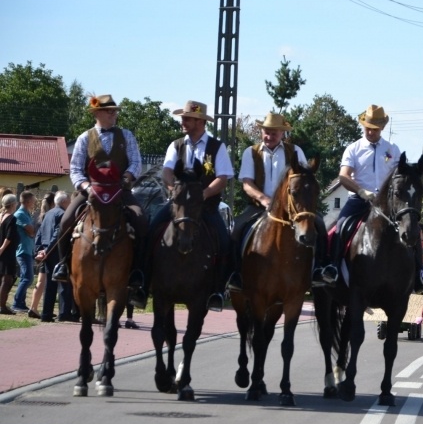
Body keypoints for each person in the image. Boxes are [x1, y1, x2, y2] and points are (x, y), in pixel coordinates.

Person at [53, 94, 147, 307]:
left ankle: (138, 273)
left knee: (141, 220)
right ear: (97, 113)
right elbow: (75, 169)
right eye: (109, 110)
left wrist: (126, 178)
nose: (114, 114)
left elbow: (136, 163)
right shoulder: (84, 138)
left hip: (120, 191)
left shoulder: (127, 136)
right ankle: (62, 266)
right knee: (66, 221)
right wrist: (86, 187)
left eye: (115, 111)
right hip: (90, 193)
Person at [226, 112, 327, 290]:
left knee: (319, 225)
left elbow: (304, 177)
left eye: (274, 133)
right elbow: (247, 184)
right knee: (236, 228)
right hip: (259, 206)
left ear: (282, 133)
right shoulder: (252, 152)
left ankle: (320, 269)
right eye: (266, 132)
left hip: (292, 208)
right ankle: (234, 275)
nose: (269, 136)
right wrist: (264, 199)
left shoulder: (295, 151)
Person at [333, 104, 423, 292]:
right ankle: (331, 269)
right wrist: (361, 191)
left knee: (412, 229)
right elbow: (343, 176)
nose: (370, 131)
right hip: (359, 200)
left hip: (387, 205)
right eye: (367, 127)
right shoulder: (354, 148)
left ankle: (418, 276)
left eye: (374, 128)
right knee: (339, 227)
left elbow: (402, 176)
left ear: (381, 128)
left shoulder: (392, 149)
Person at [155, 100, 235, 311]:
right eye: (183, 118)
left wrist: (204, 194)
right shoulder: (176, 145)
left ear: (200, 122)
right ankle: (142, 281)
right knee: (151, 228)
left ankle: (218, 290)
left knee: (225, 243)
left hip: (206, 207)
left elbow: (223, 178)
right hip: (179, 205)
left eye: (187, 118)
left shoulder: (217, 147)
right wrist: (173, 189)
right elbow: (167, 170)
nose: (183, 122)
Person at [33, 191, 75, 322]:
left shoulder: (48, 213)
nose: (70, 204)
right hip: (57, 251)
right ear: (63, 202)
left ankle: (46, 313)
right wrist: (48, 250)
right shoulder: (63, 214)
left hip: (46, 251)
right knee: (63, 282)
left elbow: (40, 232)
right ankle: (63, 313)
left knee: (49, 284)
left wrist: (39, 250)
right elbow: (57, 233)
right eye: (68, 201)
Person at [12, 191, 37, 317]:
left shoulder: (27, 214)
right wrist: (31, 232)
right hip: (22, 250)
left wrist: (31, 232)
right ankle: (16, 303)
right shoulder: (20, 214)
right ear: (27, 201)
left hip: (28, 249)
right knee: (28, 277)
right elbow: (31, 230)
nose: (34, 203)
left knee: (25, 277)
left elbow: (32, 232)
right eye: (33, 200)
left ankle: (21, 302)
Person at [30, 192, 54, 317]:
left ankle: (33, 306)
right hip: (48, 250)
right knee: (42, 281)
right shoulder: (51, 216)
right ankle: (34, 308)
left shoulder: (41, 217)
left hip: (41, 249)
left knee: (40, 280)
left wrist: (37, 250)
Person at [0, 194, 21, 315]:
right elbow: (9, 236)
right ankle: (2, 305)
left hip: (2, 251)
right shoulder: (11, 218)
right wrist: (2, 249)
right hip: (7, 252)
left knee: (1, 277)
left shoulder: (0, 216)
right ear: (13, 204)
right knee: (7, 279)